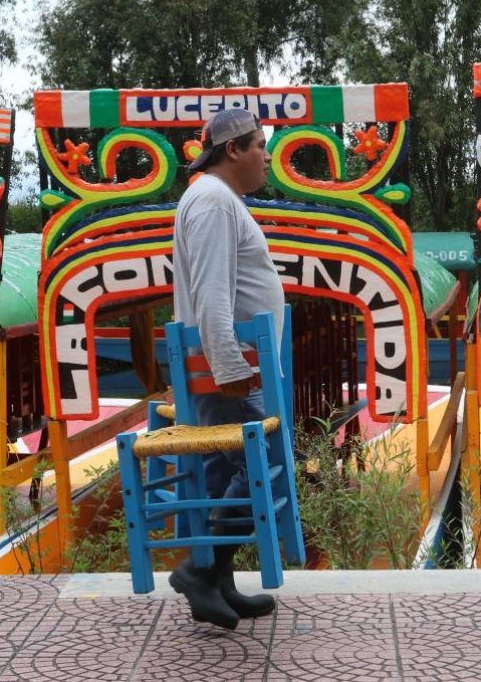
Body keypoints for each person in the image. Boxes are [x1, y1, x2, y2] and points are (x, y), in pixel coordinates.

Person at [167, 108, 284, 630]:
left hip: (224, 364)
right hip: (228, 365)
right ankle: (200, 568)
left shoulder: (216, 200)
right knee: (267, 458)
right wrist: (230, 365)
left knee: (224, 471)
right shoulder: (213, 200)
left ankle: (220, 581)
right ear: (233, 149)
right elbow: (211, 292)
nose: (266, 157)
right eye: (259, 145)